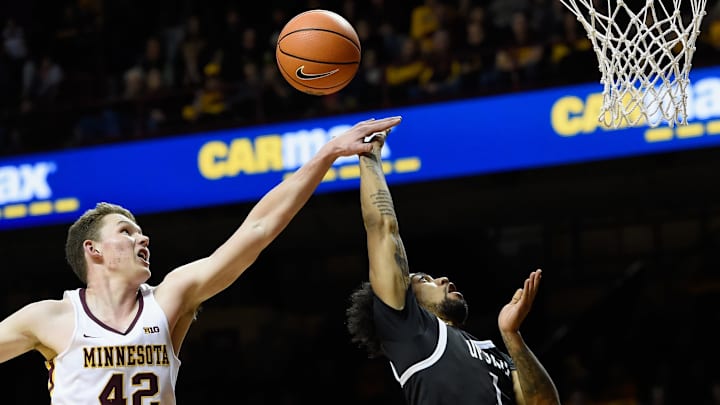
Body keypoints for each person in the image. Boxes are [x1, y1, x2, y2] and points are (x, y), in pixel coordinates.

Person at [0, 115, 402, 404]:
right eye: (125, 231)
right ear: (94, 251)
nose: (143, 237)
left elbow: (257, 231)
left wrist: (328, 153)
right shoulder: (49, 318)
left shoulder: (170, 297)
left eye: (140, 230)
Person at [346, 131, 560, 405]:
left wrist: (512, 335)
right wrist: (370, 158)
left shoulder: (494, 353)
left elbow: (545, 402)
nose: (442, 279)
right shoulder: (409, 331)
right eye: (424, 279)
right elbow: (382, 229)